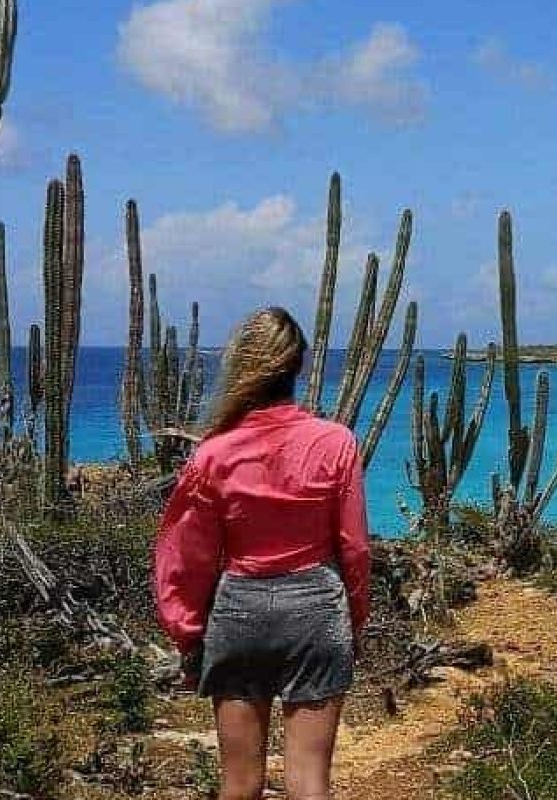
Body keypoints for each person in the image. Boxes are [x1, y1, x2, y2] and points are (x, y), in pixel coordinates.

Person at [154, 307, 370, 800]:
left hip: (239, 612)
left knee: (239, 786)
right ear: (299, 366)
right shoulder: (336, 442)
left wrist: (187, 631)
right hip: (316, 609)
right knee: (309, 782)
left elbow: (186, 555)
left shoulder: (214, 453)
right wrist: (355, 618)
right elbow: (354, 547)